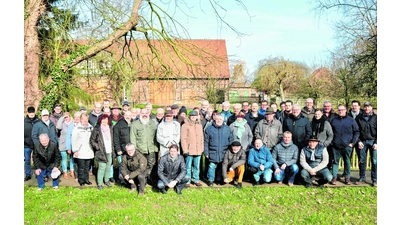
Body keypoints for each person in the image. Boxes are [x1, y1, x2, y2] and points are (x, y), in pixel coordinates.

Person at [330, 104, 360, 185]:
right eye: (339, 110)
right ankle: (334, 177)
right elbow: (330, 132)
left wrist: (352, 143)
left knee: (347, 162)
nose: (340, 111)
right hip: (336, 145)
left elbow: (356, 132)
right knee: (335, 162)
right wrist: (331, 141)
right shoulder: (334, 120)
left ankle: (347, 178)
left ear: (346, 110)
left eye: (342, 110)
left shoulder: (351, 120)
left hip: (347, 145)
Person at [130, 108, 159, 185]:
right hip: (140, 150)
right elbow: (133, 137)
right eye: (143, 113)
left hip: (151, 149)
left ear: (149, 113)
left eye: (146, 113)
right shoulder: (135, 124)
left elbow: (155, 136)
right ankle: (141, 180)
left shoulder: (152, 123)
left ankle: (148, 179)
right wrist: (134, 149)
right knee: (141, 166)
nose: (145, 115)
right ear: (140, 114)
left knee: (150, 165)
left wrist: (155, 148)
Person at [204, 113, 233, 186]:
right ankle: (210, 180)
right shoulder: (209, 129)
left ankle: (219, 179)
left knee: (221, 166)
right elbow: (206, 141)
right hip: (212, 151)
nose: (219, 121)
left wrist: (230, 152)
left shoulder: (227, 129)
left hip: (224, 152)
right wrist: (206, 152)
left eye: (220, 119)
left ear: (223, 120)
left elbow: (231, 140)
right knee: (212, 166)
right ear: (214, 119)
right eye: (217, 119)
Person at [355, 101, 377, 187]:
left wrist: (377, 142)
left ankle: (374, 179)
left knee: (375, 161)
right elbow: (356, 131)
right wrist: (359, 141)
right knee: (362, 160)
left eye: (368, 107)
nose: (367, 108)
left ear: (371, 107)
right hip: (362, 142)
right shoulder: (359, 117)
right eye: (365, 107)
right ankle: (362, 178)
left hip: (373, 141)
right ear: (363, 108)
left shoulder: (376, 117)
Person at [90, 114, 115, 190]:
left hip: (109, 151)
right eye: (103, 120)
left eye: (106, 120)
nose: (105, 121)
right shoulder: (97, 129)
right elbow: (92, 140)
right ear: (100, 120)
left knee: (108, 167)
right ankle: (100, 183)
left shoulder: (111, 128)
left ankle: (106, 180)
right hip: (101, 151)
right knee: (102, 168)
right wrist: (97, 147)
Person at [181, 110, 204, 188]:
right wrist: (185, 150)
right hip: (189, 149)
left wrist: (202, 148)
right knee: (188, 166)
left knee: (197, 166)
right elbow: (183, 138)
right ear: (189, 116)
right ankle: (187, 181)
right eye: (192, 116)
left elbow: (201, 138)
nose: (193, 117)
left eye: (195, 116)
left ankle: (196, 180)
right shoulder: (185, 125)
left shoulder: (199, 125)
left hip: (198, 150)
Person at [72, 113, 94, 186]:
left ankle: (86, 180)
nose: (85, 121)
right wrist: (75, 150)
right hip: (80, 151)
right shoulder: (76, 128)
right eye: (83, 119)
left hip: (89, 150)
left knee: (87, 167)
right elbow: (74, 140)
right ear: (81, 120)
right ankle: (81, 181)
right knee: (81, 167)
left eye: (86, 119)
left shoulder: (90, 127)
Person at [113, 110, 134, 182]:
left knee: (131, 165)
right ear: (124, 116)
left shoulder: (133, 123)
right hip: (122, 149)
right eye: (126, 115)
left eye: (129, 115)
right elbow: (116, 138)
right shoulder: (118, 125)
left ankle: (131, 179)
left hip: (132, 149)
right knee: (122, 165)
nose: (128, 117)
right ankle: (122, 179)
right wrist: (118, 149)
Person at [24, 106, 39, 181]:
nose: (31, 114)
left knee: (37, 159)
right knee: (27, 160)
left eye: (32, 112)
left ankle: (38, 173)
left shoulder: (38, 121)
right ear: (27, 113)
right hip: (26, 145)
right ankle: (28, 174)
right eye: (30, 112)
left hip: (36, 144)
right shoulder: (24, 122)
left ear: (34, 112)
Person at [56, 112, 73, 179]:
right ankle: (65, 172)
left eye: (67, 117)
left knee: (72, 158)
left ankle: (72, 171)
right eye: (65, 117)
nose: (66, 118)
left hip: (71, 143)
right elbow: (58, 127)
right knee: (64, 158)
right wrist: (62, 118)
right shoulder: (62, 124)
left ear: (70, 117)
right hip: (63, 143)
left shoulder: (73, 123)